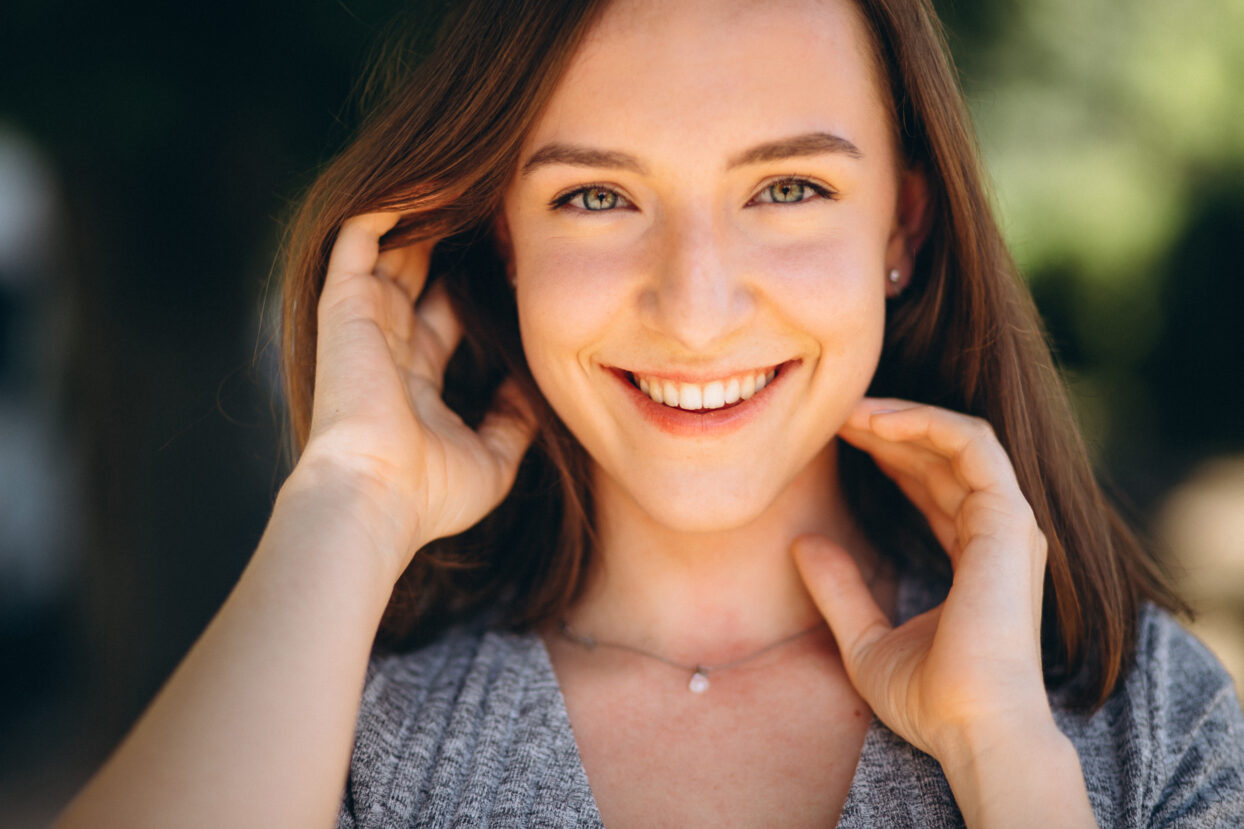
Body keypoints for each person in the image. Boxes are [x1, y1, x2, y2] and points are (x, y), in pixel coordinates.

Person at [57, 0, 1244, 826]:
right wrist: (348, 494)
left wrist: (1004, 758)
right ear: (502, 240)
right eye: (594, 196)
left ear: (902, 226)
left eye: (787, 187)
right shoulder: (329, 737)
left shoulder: (1145, 719)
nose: (694, 309)